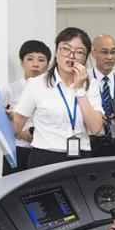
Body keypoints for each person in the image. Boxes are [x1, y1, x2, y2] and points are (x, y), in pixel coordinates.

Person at [12, 27, 104, 168]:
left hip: (81, 157)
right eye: (66, 49)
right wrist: (6, 120)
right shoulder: (36, 84)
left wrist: (79, 90)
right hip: (44, 157)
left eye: (79, 52)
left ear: (85, 58)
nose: (71, 56)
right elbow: (16, 128)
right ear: (56, 52)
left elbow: (96, 128)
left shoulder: (92, 85)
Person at [1, 39, 50, 175]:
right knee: (12, 186)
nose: (35, 64)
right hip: (17, 149)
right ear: (22, 62)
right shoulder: (9, 90)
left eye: (41, 60)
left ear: (48, 64)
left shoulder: (52, 91)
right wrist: (22, 135)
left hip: (44, 151)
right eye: (30, 59)